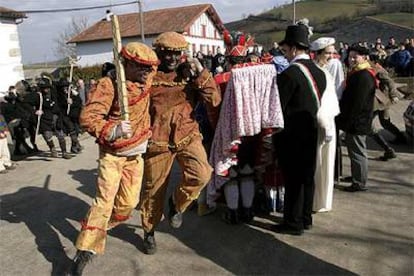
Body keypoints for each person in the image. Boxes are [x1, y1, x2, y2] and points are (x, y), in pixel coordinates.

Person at [68, 42, 159, 275]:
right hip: (112, 155)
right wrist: (113, 129)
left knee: (128, 204)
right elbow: (88, 118)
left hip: (135, 155)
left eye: (149, 68)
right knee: (103, 202)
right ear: (125, 64)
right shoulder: (108, 85)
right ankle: (86, 249)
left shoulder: (147, 79)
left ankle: (101, 227)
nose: (146, 72)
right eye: (141, 67)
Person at [139, 32, 221, 254]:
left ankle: (177, 204)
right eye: (168, 53)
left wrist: (201, 73)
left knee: (202, 174)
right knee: (153, 190)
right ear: (159, 52)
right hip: (157, 140)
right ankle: (149, 231)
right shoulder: (148, 75)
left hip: (187, 134)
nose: (173, 58)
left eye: (177, 53)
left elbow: (214, 99)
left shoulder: (189, 73)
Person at [271, 22, 336, 235]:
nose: (285, 54)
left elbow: (278, 108)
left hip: (291, 135)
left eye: (285, 50)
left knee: (293, 181)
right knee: (307, 176)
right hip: (310, 131)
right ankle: (306, 217)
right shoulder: (319, 72)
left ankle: (293, 222)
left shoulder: (289, 74)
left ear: (292, 48)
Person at [336, 44, 376, 192]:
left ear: (364, 58)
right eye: (350, 56)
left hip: (358, 120)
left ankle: (359, 182)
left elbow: (357, 102)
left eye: (355, 57)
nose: (352, 59)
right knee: (354, 150)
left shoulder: (364, 75)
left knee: (358, 151)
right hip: (356, 120)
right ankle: (356, 176)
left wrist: (347, 121)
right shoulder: (357, 72)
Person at [310, 37, 341, 213]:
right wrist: (325, 125)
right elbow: (320, 103)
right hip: (322, 123)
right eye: (327, 53)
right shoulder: (317, 71)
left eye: (332, 52)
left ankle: (324, 201)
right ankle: (317, 200)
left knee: (327, 162)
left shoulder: (326, 70)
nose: (330, 56)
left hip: (330, 121)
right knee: (319, 163)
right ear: (318, 53)